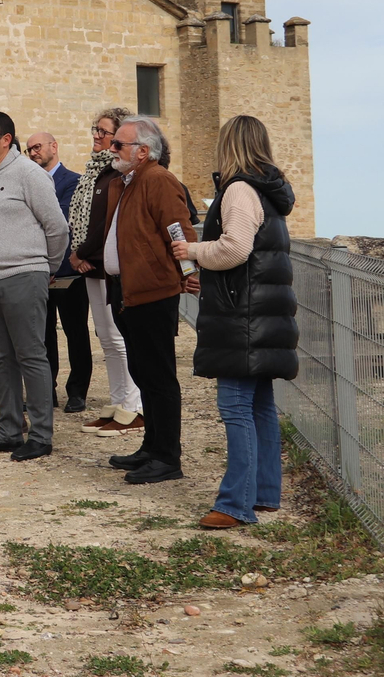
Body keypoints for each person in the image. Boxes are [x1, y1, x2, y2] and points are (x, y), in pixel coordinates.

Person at [175, 115, 298, 528]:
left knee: (235, 407)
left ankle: (235, 504)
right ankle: (263, 493)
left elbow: (234, 250)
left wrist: (192, 252)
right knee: (259, 405)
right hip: (260, 314)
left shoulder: (240, 190)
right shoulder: (266, 192)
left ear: (230, 145)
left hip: (242, 318)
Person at [0, 112, 68, 462]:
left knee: (31, 356)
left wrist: (44, 269)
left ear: (6, 139)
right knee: (0, 359)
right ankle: (8, 430)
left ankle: (40, 435)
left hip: (23, 277)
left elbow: (57, 228)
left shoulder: (29, 174)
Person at [102, 116, 198, 485]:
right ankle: (152, 446)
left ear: (143, 152)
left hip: (152, 292)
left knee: (158, 376)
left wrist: (190, 273)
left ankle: (167, 457)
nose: (112, 149)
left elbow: (178, 228)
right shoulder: (123, 183)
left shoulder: (158, 180)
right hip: (126, 291)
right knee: (143, 372)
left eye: (119, 145)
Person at [68, 108, 145, 438]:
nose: (97, 136)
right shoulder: (93, 173)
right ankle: (117, 403)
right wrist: (79, 254)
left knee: (119, 338)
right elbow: (82, 219)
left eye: (103, 132)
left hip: (107, 265)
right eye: (95, 130)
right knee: (107, 340)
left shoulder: (119, 174)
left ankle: (134, 407)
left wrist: (81, 253)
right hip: (89, 265)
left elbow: (108, 222)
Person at [25, 132, 93, 414]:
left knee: (75, 331)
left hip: (68, 270)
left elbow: (61, 221)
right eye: (29, 149)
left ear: (54, 146)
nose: (32, 153)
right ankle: (45, 390)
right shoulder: (28, 181)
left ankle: (77, 391)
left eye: (37, 147)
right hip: (39, 270)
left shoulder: (72, 181)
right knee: (42, 334)